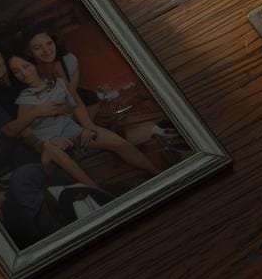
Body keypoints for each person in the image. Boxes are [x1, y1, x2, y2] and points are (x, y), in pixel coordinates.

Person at [8, 52, 163, 190]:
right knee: (53, 151)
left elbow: (75, 106)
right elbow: (25, 132)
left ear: (34, 65)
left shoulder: (59, 83)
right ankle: (97, 192)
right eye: (17, 72)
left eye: (26, 66)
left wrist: (88, 126)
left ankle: (156, 172)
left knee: (118, 142)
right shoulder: (24, 99)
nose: (23, 73)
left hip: (72, 130)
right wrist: (48, 143)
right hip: (49, 141)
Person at [23, 24, 98, 108]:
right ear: (29, 52)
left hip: (79, 103)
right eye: (37, 48)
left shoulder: (68, 60)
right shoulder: (28, 71)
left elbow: (71, 93)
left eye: (49, 43)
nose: (46, 50)